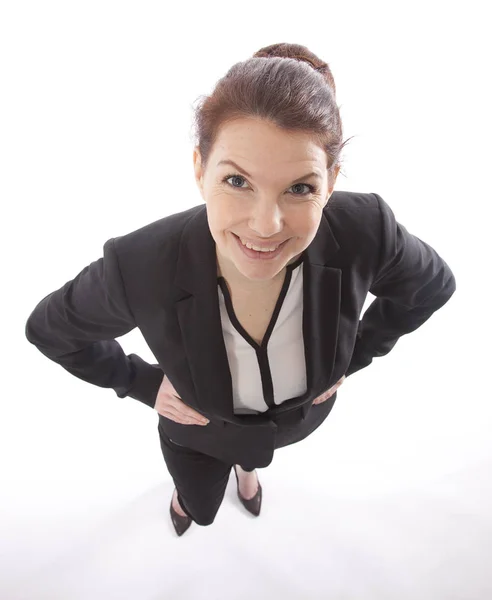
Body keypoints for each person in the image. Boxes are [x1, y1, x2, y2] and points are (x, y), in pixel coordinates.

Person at [24, 42, 457, 537]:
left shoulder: (367, 228)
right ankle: (193, 495)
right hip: (196, 435)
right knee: (199, 502)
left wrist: (356, 353)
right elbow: (49, 330)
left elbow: (432, 286)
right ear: (199, 170)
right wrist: (140, 382)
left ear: (331, 183)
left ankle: (248, 469)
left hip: (295, 424)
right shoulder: (141, 263)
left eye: (300, 188)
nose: (266, 225)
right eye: (236, 180)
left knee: (255, 459)